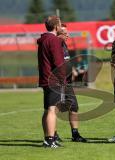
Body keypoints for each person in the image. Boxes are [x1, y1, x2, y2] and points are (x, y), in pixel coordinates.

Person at [54, 23, 87, 143]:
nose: (68, 35)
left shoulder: (64, 44)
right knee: (55, 108)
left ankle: (75, 134)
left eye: (68, 33)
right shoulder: (55, 46)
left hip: (67, 83)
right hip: (58, 83)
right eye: (65, 33)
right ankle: (53, 134)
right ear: (58, 33)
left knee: (74, 106)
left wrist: (72, 70)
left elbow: (66, 61)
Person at [37, 15, 64, 148]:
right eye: (60, 24)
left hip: (45, 79)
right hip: (53, 80)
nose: (61, 27)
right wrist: (63, 79)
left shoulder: (44, 39)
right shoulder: (53, 40)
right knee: (52, 110)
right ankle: (50, 140)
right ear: (56, 26)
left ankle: (47, 138)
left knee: (47, 110)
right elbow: (58, 63)